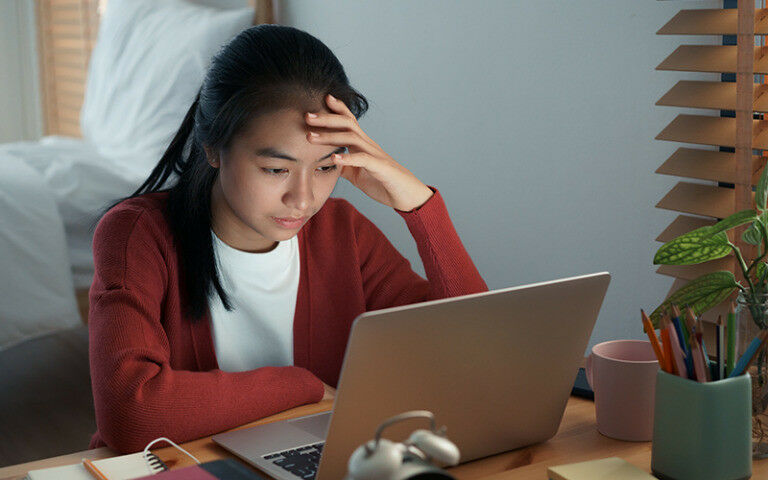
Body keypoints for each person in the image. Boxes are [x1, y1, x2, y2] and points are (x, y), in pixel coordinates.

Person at [88, 24, 488, 454]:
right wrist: (304, 385)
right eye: (276, 169)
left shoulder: (343, 233)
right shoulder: (137, 235)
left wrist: (420, 206)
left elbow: (476, 357)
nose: (303, 199)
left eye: (325, 168)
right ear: (213, 149)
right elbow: (132, 415)